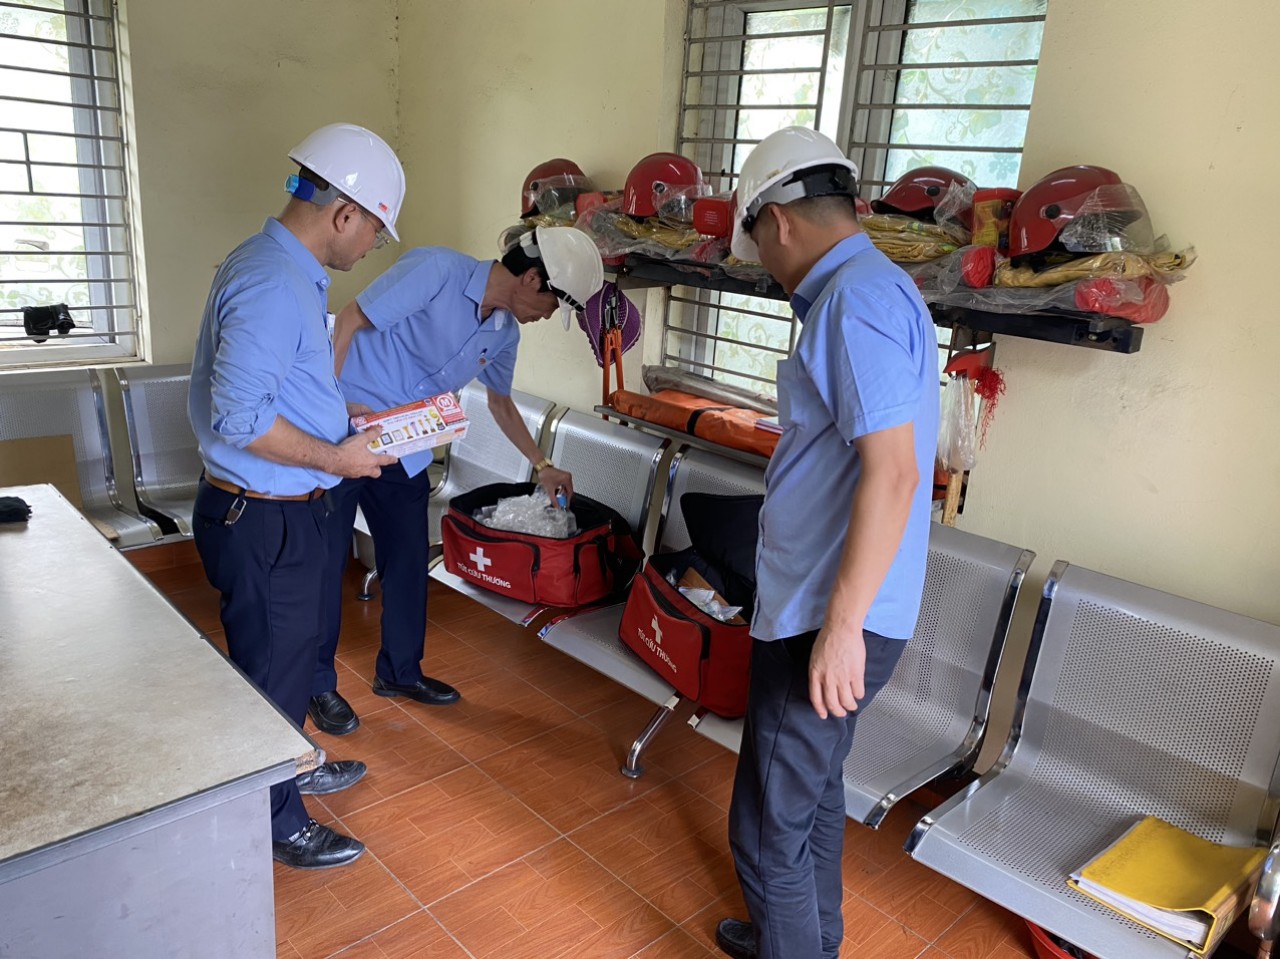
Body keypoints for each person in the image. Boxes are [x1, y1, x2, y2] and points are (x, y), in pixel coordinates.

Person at [713, 126, 940, 959]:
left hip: (828, 614)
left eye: (759, 247)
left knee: (766, 823)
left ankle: (795, 942)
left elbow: (894, 474)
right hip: (840, 606)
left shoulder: (854, 302)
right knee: (809, 794)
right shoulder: (880, 288)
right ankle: (808, 939)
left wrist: (840, 629)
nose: (768, 267)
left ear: (777, 220)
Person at [188, 122, 406, 870]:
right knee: (272, 676)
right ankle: (277, 819)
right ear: (344, 214)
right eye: (375, 231)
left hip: (283, 511)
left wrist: (343, 418)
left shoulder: (284, 269)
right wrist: (340, 457)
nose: (371, 247)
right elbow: (240, 417)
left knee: (284, 662)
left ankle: (291, 763)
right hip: (264, 517)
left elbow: (281, 387)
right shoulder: (274, 281)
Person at [305, 225, 604, 735]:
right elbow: (349, 320)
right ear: (533, 279)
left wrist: (542, 465)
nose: (546, 316)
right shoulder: (437, 270)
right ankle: (316, 684)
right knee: (326, 562)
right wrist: (329, 404)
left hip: (404, 449)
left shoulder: (503, 334)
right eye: (551, 305)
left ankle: (399, 673)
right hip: (343, 432)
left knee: (406, 562)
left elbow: (501, 404)